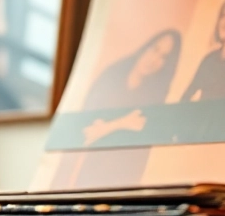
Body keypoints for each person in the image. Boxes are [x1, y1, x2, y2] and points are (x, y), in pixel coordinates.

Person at [63, 30, 182, 189]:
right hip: (89, 175)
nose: (154, 59)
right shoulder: (111, 76)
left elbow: (141, 143)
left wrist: (108, 127)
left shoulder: (155, 97)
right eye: (155, 49)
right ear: (146, 47)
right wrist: (123, 123)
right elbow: (85, 130)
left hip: (125, 183)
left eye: (164, 58)